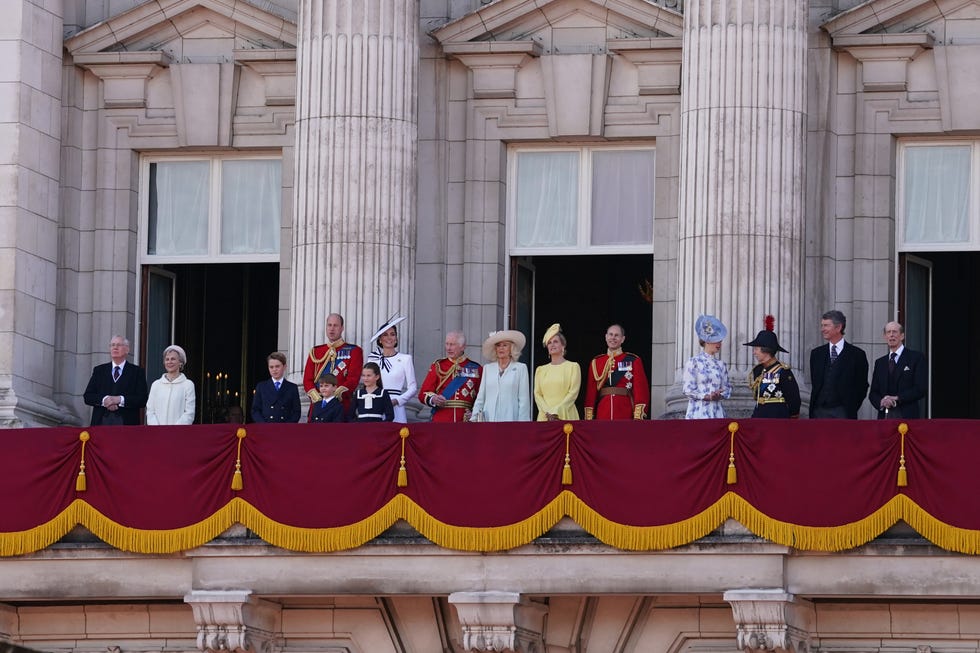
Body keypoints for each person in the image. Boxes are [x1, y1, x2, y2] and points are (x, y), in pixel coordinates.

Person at [809, 310, 869, 418]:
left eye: (826, 325)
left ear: (838, 327)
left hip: (844, 413)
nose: (822, 329)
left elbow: (862, 386)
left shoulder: (857, 355)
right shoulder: (816, 354)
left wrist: (851, 406)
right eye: (822, 325)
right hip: (818, 412)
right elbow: (815, 382)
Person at [584, 324, 650, 420]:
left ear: (622, 339)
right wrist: (589, 417)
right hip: (603, 412)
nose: (613, 338)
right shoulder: (596, 362)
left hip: (625, 411)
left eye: (616, 335)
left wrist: (638, 415)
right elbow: (591, 392)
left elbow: (641, 390)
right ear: (606, 337)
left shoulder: (633, 360)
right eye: (610, 335)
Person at [303, 313, 363, 417]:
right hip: (318, 407)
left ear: (342, 328)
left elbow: (353, 379)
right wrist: (317, 398)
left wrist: (334, 396)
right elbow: (307, 380)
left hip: (341, 406)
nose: (332, 329)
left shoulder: (354, 351)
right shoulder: (316, 352)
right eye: (329, 325)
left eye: (335, 325)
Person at [83, 335, 148, 426]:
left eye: (119, 345)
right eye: (112, 345)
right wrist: (105, 400)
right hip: (100, 424)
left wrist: (120, 399)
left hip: (127, 426)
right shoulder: (99, 370)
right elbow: (88, 396)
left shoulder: (137, 372)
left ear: (127, 350)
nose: (115, 347)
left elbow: (142, 399)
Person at [418, 331, 482, 422]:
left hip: (465, 421)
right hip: (441, 419)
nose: (448, 348)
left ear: (463, 346)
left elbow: (482, 397)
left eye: (452, 345)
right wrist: (434, 399)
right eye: (447, 344)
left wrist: (474, 413)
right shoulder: (438, 366)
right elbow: (423, 393)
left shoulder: (476, 368)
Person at [868, 321, 928, 419]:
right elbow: (873, 393)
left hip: (907, 415)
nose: (891, 335)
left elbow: (920, 389)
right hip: (884, 417)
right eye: (888, 332)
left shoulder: (916, 358)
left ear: (902, 336)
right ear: (885, 337)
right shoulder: (880, 363)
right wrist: (882, 402)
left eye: (895, 332)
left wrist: (897, 398)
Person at [366, 316, 418, 423]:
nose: (389, 338)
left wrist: (397, 401)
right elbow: (367, 383)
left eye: (392, 334)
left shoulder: (405, 359)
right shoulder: (373, 358)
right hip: (376, 404)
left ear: (396, 338)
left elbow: (413, 388)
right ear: (380, 339)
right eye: (385, 335)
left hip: (396, 406)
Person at [471, 330, 531, 422]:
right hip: (489, 420)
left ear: (512, 348)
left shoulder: (521, 368)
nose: (501, 348)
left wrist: (523, 425)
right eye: (498, 345)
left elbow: (524, 401)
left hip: (511, 420)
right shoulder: (488, 368)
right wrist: (474, 418)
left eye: (505, 345)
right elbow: (481, 397)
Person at [683, 315, 732, 419]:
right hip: (698, 412)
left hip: (717, 412)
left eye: (720, 340)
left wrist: (720, 395)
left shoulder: (721, 365)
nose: (719, 343)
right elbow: (688, 389)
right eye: (715, 339)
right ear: (706, 341)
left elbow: (727, 388)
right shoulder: (693, 362)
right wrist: (706, 396)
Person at [745, 328, 801, 418]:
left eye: (756, 349)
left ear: (766, 350)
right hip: (759, 415)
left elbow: (793, 398)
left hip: (777, 417)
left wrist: (792, 417)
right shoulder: (757, 370)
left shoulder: (783, 371)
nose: (754, 352)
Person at [533, 323, 581, 421]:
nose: (552, 345)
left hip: (565, 415)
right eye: (549, 342)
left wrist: (557, 411)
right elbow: (537, 394)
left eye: (555, 341)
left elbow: (573, 393)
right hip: (545, 417)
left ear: (563, 345)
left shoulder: (573, 367)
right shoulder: (540, 370)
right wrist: (548, 412)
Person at [145, 345, 196, 425]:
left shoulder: (188, 385)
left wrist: (174, 430)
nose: (169, 362)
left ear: (180, 362)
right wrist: (157, 428)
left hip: (178, 433)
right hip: (158, 433)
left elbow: (189, 413)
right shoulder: (156, 385)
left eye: (173, 359)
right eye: (167, 359)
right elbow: (150, 411)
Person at [251, 352, 301, 423]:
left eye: (277, 366)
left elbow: (296, 412)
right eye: (271, 367)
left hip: (284, 429)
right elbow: (255, 410)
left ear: (284, 367)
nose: (274, 369)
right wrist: (263, 425)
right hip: (266, 428)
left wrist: (287, 426)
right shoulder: (261, 386)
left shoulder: (292, 387)